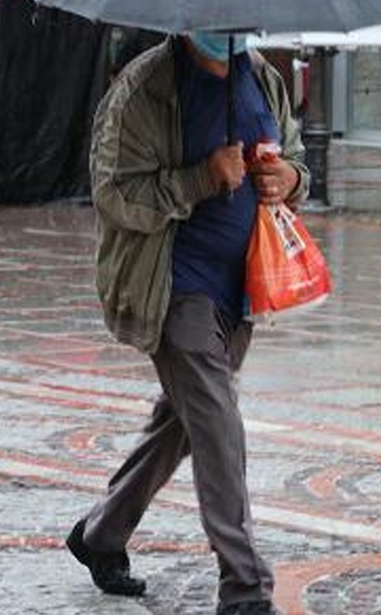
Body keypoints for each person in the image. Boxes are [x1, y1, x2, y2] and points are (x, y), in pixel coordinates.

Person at [68, 31, 308, 615]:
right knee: (219, 425)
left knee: (183, 420)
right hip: (173, 287)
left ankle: (100, 534)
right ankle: (245, 590)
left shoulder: (260, 75)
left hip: (241, 288)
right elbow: (114, 193)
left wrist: (292, 180)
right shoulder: (146, 88)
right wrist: (201, 177)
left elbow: (295, 155)